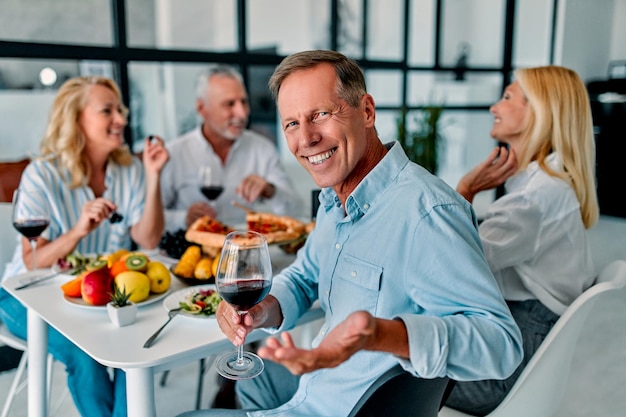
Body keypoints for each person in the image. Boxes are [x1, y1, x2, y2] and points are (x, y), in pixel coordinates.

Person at [176, 50, 523, 417]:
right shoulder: (335, 199)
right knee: (258, 376)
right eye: (292, 124)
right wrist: (264, 308)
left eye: (321, 114)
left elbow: (501, 346)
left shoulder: (428, 213)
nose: (306, 138)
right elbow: (304, 276)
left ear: (367, 111)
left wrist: (381, 334)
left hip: (348, 408)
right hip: (320, 388)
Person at [0, 76, 169, 417]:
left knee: (135, 349)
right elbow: (33, 261)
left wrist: (153, 178)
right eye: (107, 110)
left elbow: (148, 239)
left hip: (94, 298)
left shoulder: (130, 171)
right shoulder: (42, 175)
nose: (121, 118)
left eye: (120, 109)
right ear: (76, 119)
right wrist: (77, 230)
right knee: (84, 354)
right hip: (24, 297)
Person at [445, 65, 599, 415]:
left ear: (539, 112)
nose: (494, 107)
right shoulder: (549, 187)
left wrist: (464, 191)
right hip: (516, 346)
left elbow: (453, 262)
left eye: (507, 97)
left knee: (388, 361)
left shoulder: (536, 198)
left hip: (502, 371)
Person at [160, 64, 303, 231]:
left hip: (244, 250)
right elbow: (147, 220)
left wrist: (270, 191)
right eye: (229, 104)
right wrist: (182, 218)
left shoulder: (263, 149)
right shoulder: (174, 153)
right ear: (202, 108)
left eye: (243, 102)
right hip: (190, 252)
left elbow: (298, 211)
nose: (242, 113)